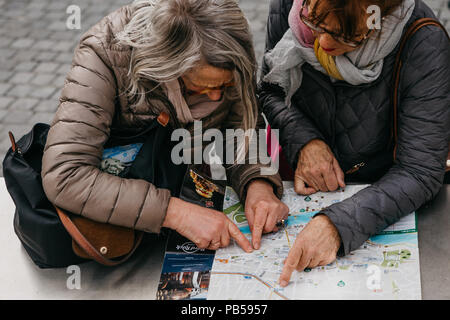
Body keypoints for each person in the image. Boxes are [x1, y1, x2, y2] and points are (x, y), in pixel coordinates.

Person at [41, 0, 289, 254]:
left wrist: (258, 182)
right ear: (170, 63)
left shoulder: (227, 44)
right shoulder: (103, 54)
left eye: (224, 88)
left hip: (183, 208)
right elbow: (65, 174)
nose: (216, 99)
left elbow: (241, 126)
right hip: (120, 229)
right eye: (204, 87)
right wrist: (176, 214)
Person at [258, 0, 449, 286]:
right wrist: (304, 140)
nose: (321, 42)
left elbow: (420, 170)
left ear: (381, 17)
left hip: (385, 190)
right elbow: (271, 89)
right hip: (298, 179)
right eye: (315, 23)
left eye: (345, 35)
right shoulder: (289, 6)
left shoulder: (423, 41)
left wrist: (337, 226)